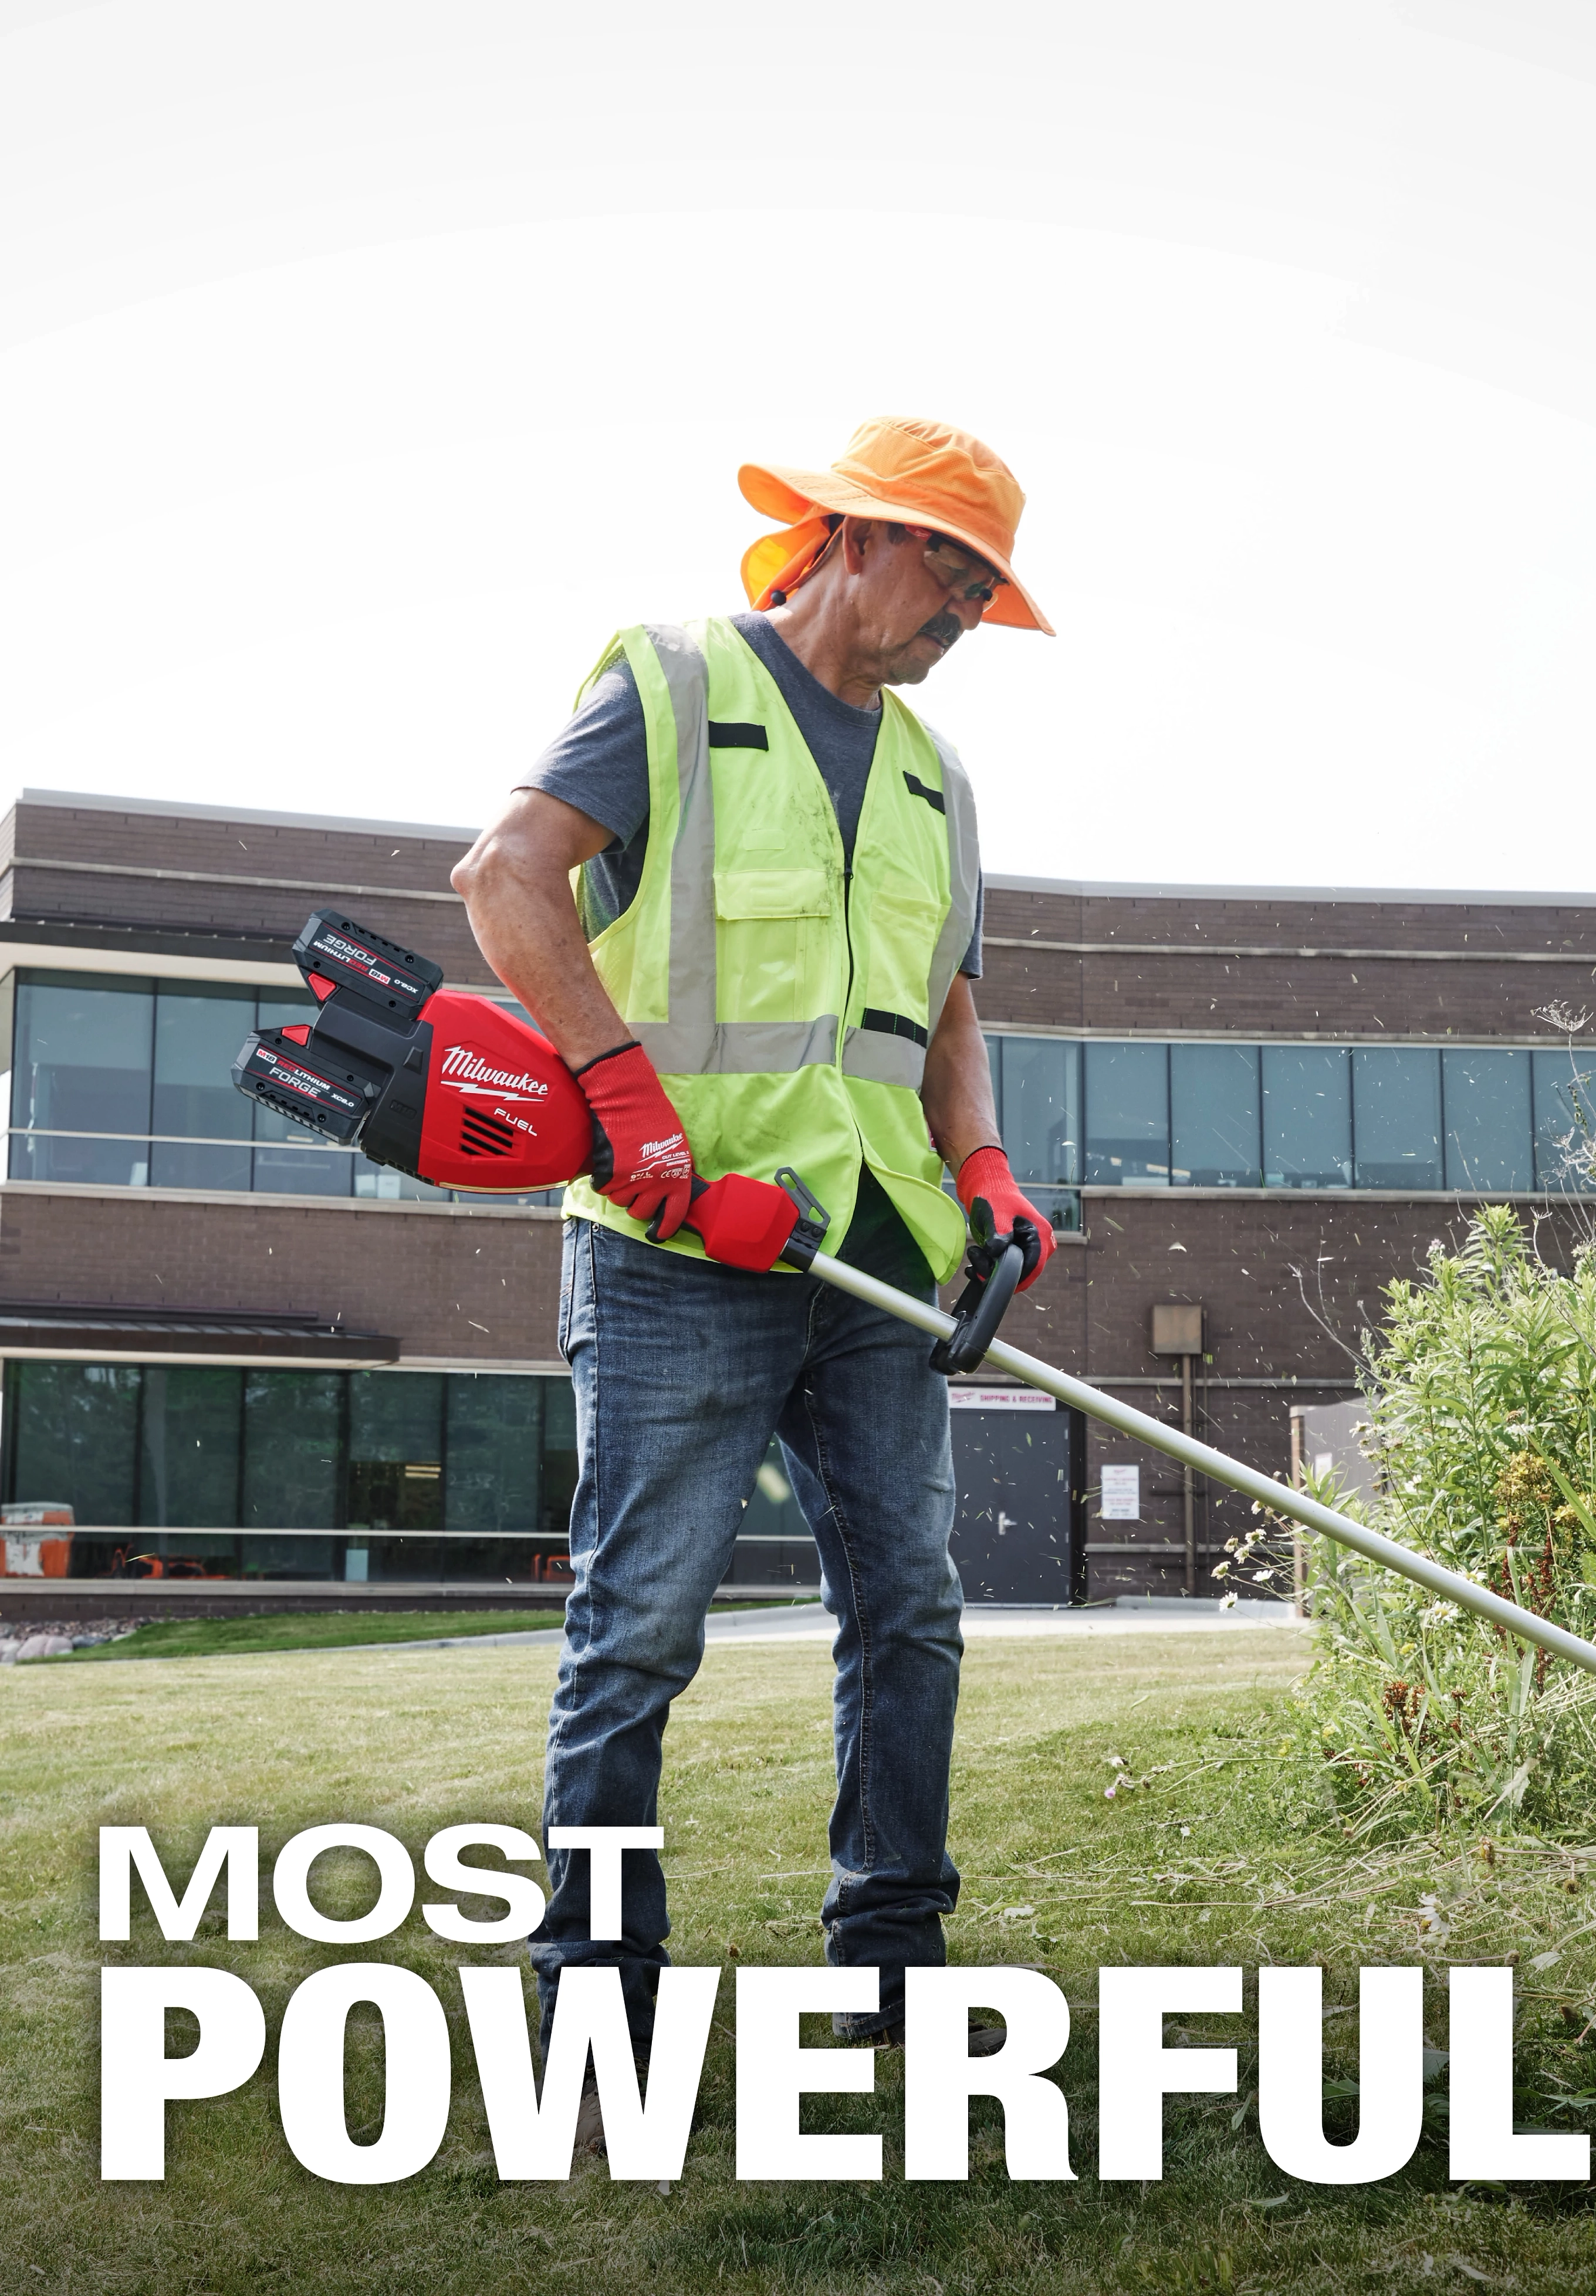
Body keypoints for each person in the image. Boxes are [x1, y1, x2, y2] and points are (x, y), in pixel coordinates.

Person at [450, 416, 1060, 2098]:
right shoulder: (667, 684)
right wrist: (630, 1109)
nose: (966, 614)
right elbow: (507, 880)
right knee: (641, 1620)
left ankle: (893, 1953)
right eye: (954, 565)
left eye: (989, 587)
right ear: (855, 536)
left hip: (870, 1256)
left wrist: (985, 1165)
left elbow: (945, 1005)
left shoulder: (937, 775)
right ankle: (596, 1991)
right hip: (675, 1249)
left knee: (912, 1611)